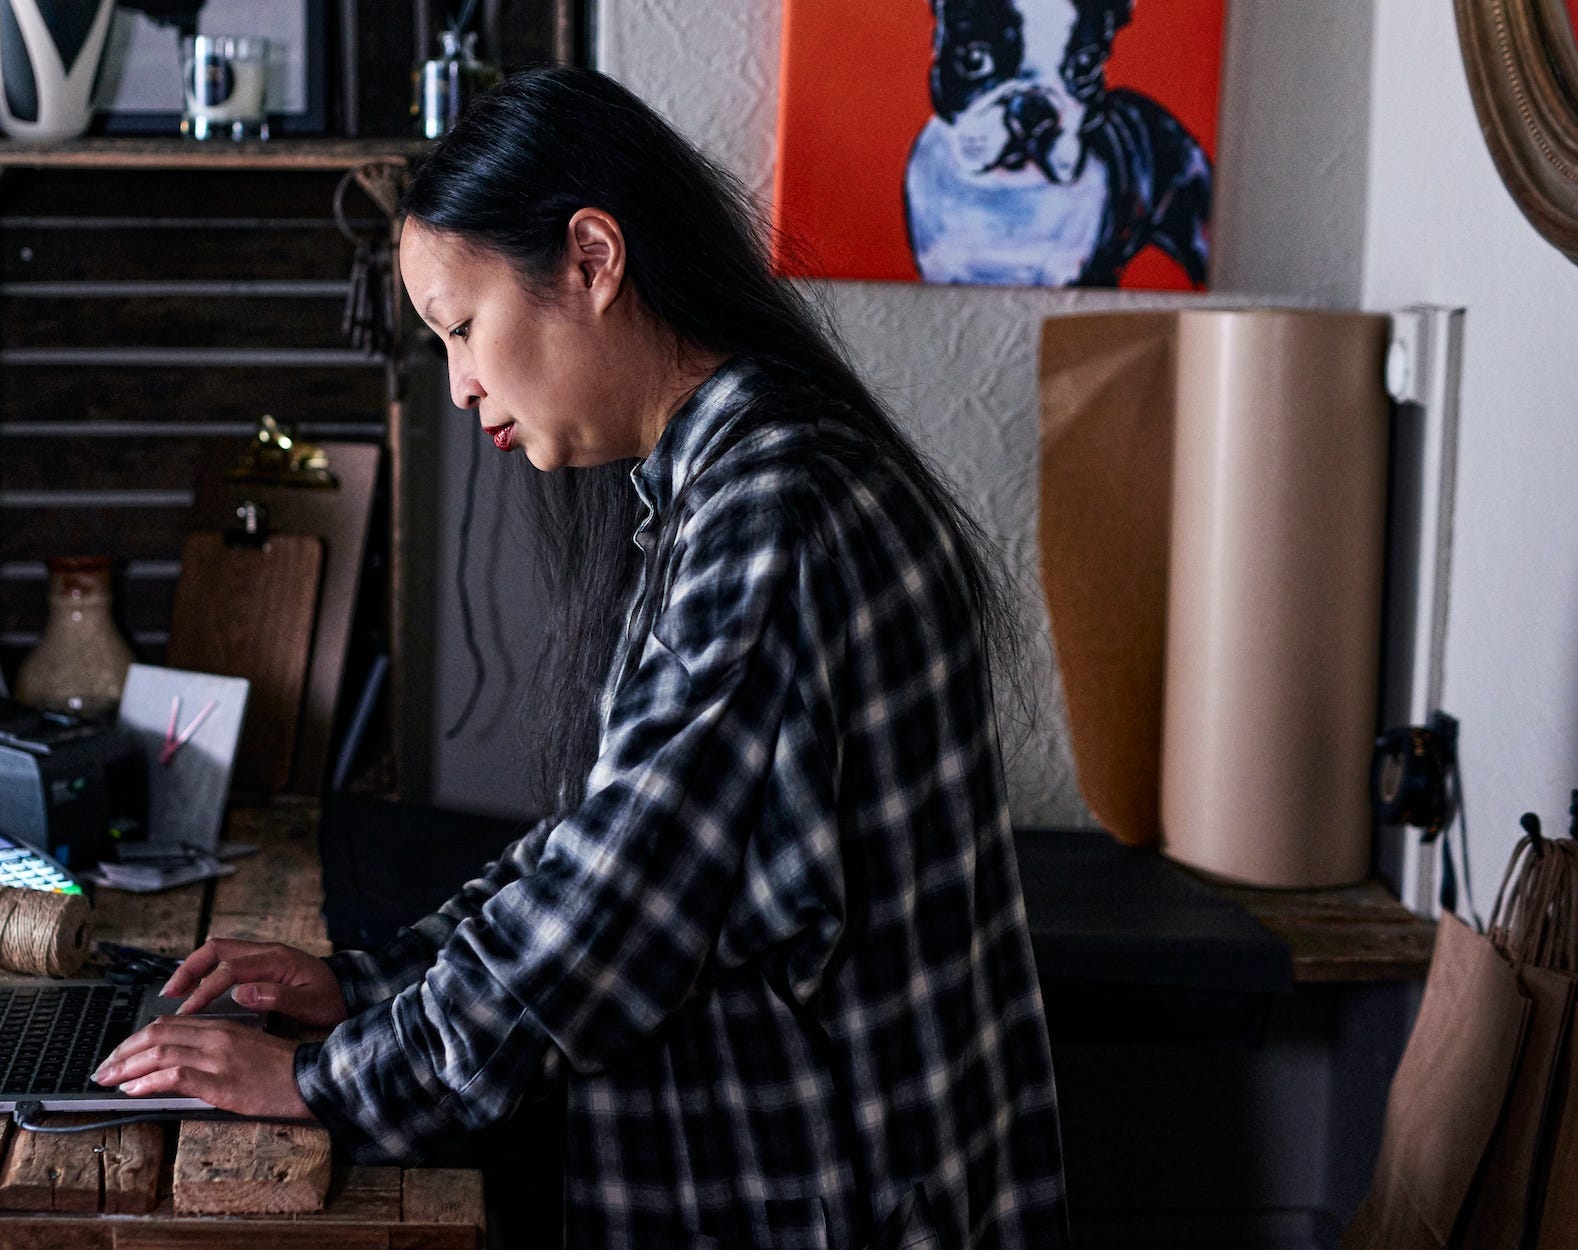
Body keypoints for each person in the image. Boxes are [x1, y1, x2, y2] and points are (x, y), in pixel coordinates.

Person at [92, 65, 1069, 1250]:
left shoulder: (775, 511)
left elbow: (611, 910)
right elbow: (604, 841)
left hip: (831, 1203)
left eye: (462, 327)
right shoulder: (726, 480)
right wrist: (368, 976)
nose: (458, 383)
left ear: (593, 259)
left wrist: (320, 1081)